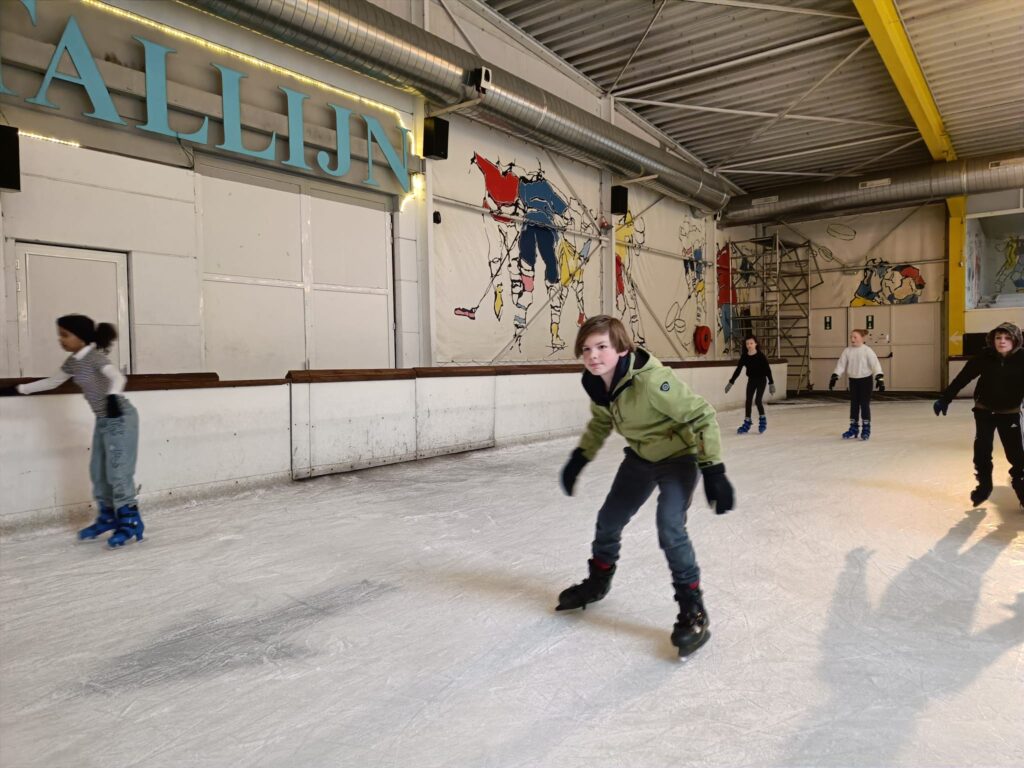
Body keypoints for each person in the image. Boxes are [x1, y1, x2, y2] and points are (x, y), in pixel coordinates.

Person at [556, 315, 735, 657]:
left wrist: (714, 470)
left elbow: (702, 415)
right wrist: (580, 458)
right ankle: (598, 581)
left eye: (602, 347)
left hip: (679, 459)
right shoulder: (598, 383)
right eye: (587, 349)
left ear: (622, 349)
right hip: (640, 459)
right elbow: (602, 421)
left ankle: (693, 609)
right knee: (609, 520)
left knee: (670, 527)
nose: (593, 355)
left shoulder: (653, 382)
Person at [0, 315, 144, 547]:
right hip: (103, 420)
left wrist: (112, 397)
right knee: (98, 472)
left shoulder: (94, 357)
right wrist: (17, 389)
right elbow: (52, 382)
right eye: (60, 335)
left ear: (81, 337)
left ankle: (131, 520)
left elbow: (117, 377)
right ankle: (108, 516)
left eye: (65, 335)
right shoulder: (73, 362)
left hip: (120, 417)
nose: (61, 340)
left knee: (118, 472)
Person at [933, 322, 1024, 508]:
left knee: (1016, 455)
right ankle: (984, 486)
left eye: (1007, 338)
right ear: (992, 339)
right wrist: (946, 398)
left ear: (1015, 340)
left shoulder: (1022, 358)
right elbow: (963, 377)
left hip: (1010, 412)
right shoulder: (984, 357)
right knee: (982, 450)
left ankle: (1022, 490)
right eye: (998, 338)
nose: (1002, 341)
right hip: (984, 410)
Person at [829, 329, 884, 440]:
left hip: (865, 381)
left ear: (862, 338)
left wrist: (879, 378)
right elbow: (841, 364)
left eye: (855, 337)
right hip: (853, 381)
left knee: (864, 404)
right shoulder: (847, 351)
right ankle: (853, 428)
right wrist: (835, 376)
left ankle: (866, 429)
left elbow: (875, 364)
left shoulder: (867, 350)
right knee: (854, 404)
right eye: (851, 337)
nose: (852, 339)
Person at [725, 334, 775, 434]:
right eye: (747, 343)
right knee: (748, 401)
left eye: (751, 343)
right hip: (751, 380)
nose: (749, 345)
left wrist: (771, 383)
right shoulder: (744, 356)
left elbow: (767, 370)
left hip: (761, 380)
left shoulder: (761, 356)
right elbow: (738, 370)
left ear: (756, 344)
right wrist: (731, 382)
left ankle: (763, 420)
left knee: (757, 400)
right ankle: (747, 421)